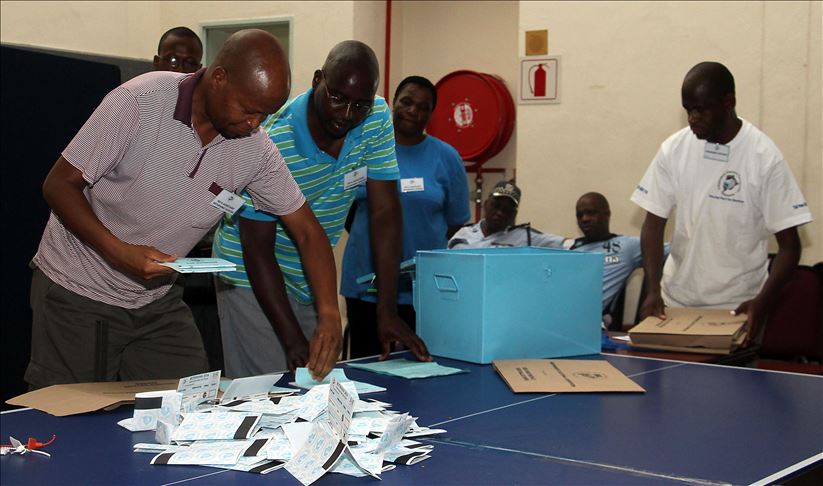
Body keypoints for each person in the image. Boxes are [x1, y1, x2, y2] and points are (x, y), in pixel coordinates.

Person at [27, 29, 342, 390]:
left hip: (155, 299)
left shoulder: (255, 148)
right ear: (219, 77)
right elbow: (59, 184)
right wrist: (120, 253)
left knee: (194, 408)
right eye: (248, 109)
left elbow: (306, 229)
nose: (255, 124)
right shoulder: (140, 101)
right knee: (69, 420)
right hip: (79, 290)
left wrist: (329, 314)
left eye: (264, 114)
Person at [213, 41, 430, 378]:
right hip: (249, 272)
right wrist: (291, 339)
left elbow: (384, 213)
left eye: (359, 104)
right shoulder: (273, 140)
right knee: (268, 389)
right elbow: (256, 247)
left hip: (310, 274)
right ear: (318, 81)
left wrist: (386, 311)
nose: (346, 115)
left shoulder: (374, 120)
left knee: (314, 391)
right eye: (337, 98)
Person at [631, 61, 812, 342]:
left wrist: (762, 301)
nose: (692, 118)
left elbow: (790, 247)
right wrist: (653, 289)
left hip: (736, 309)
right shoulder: (674, 149)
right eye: (688, 110)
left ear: (729, 102)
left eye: (700, 109)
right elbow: (653, 224)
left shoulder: (764, 157)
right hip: (675, 304)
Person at [341, 75, 470, 358]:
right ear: (393, 104)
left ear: (431, 115)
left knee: (423, 366)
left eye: (423, 107)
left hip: (425, 289)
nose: (414, 111)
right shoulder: (366, 150)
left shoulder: (446, 157)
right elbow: (346, 208)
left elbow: (455, 223)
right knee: (368, 367)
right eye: (407, 102)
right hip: (366, 283)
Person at [565, 192, 664, 326]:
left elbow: (669, 251)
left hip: (590, 324)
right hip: (559, 315)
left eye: (591, 213)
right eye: (579, 215)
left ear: (607, 214)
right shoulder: (569, 248)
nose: (584, 219)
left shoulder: (626, 247)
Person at [448, 180, 565, 249]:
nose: (500, 213)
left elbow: (566, 244)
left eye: (507, 210)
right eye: (496, 206)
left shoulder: (525, 237)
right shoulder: (464, 234)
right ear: (486, 204)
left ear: (514, 215)